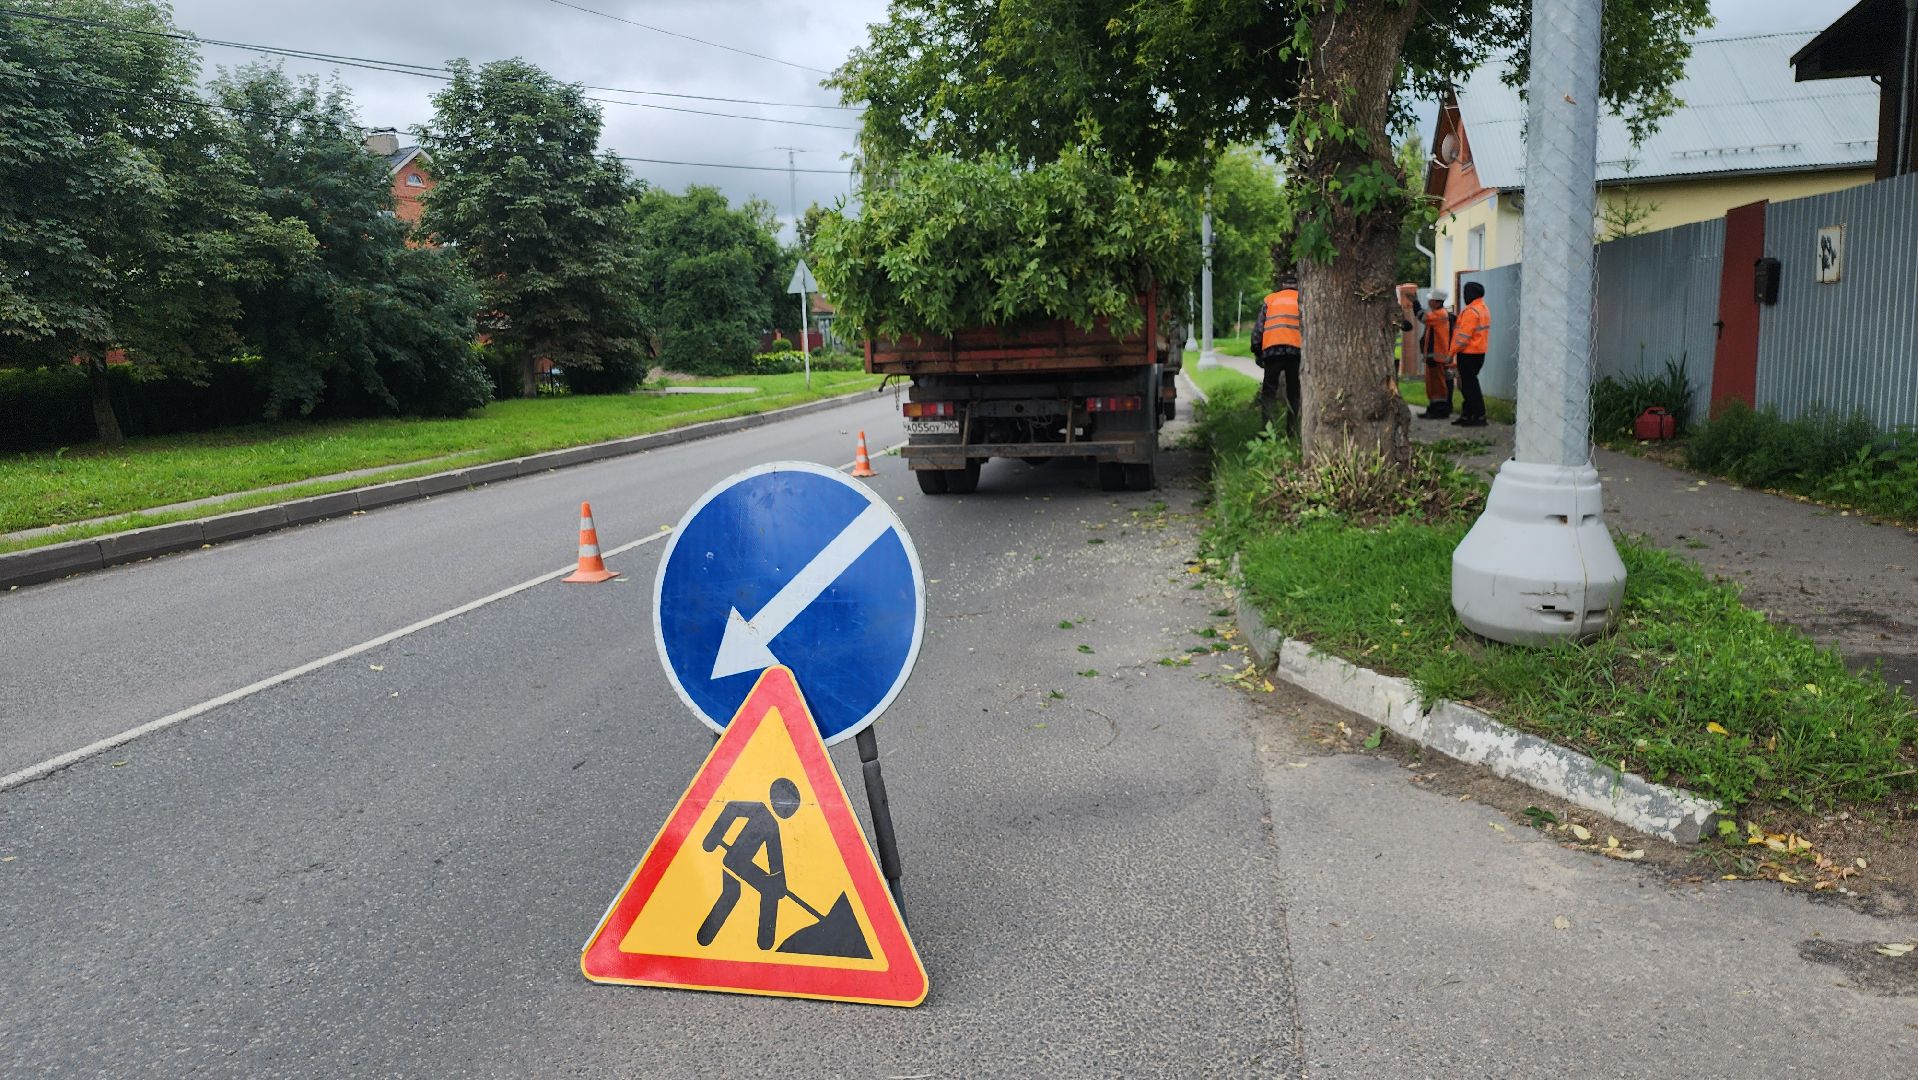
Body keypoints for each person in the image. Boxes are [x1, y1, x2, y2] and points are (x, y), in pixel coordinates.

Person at [696, 777, 803, 951]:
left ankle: (762, 940)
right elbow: (731, 809)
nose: (788, 811)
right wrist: (712, 839)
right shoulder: (758, 809)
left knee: (746, 892)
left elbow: (775, 860)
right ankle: (763, 940)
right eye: (789, 805)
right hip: (734, 860)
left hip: (740, 864)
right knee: (740, 893)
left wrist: (780, 883)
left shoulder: (773, 825)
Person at [1251, 273, 1303, 438]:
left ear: (1282, 285)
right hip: (1296, 351)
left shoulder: (1270, 300)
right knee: (1294, 393)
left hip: (1272, 351)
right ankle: (1292, 433)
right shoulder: (1303, 300)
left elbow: (1258, 331)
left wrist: (1258, 353)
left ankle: (1267, 434)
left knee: (1269, 392)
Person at [1450, 281, 1491, 428]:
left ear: (1471, 294)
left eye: (1466, 292)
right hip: (1479, 353)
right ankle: (1468, 414)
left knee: (1469, 386)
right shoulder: (1483, 309)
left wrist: (1451, 353)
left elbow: (1463, 337)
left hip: (1468, 353)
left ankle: (1479, 415)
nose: (1464, 296)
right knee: (1469, 385)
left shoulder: (1471, 312)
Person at [1419, 291, 1455, 419]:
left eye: (1431, 300)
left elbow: (1423, 318)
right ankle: (1433, 409)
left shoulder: (1439, 315)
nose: (1429, 302)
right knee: (1433, 385)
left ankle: (1440, 411)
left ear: (1437, 302)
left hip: (1437, 357)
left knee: (1438, 385)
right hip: (1433, 357)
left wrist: (1415, 303)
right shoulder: (1438, 314)